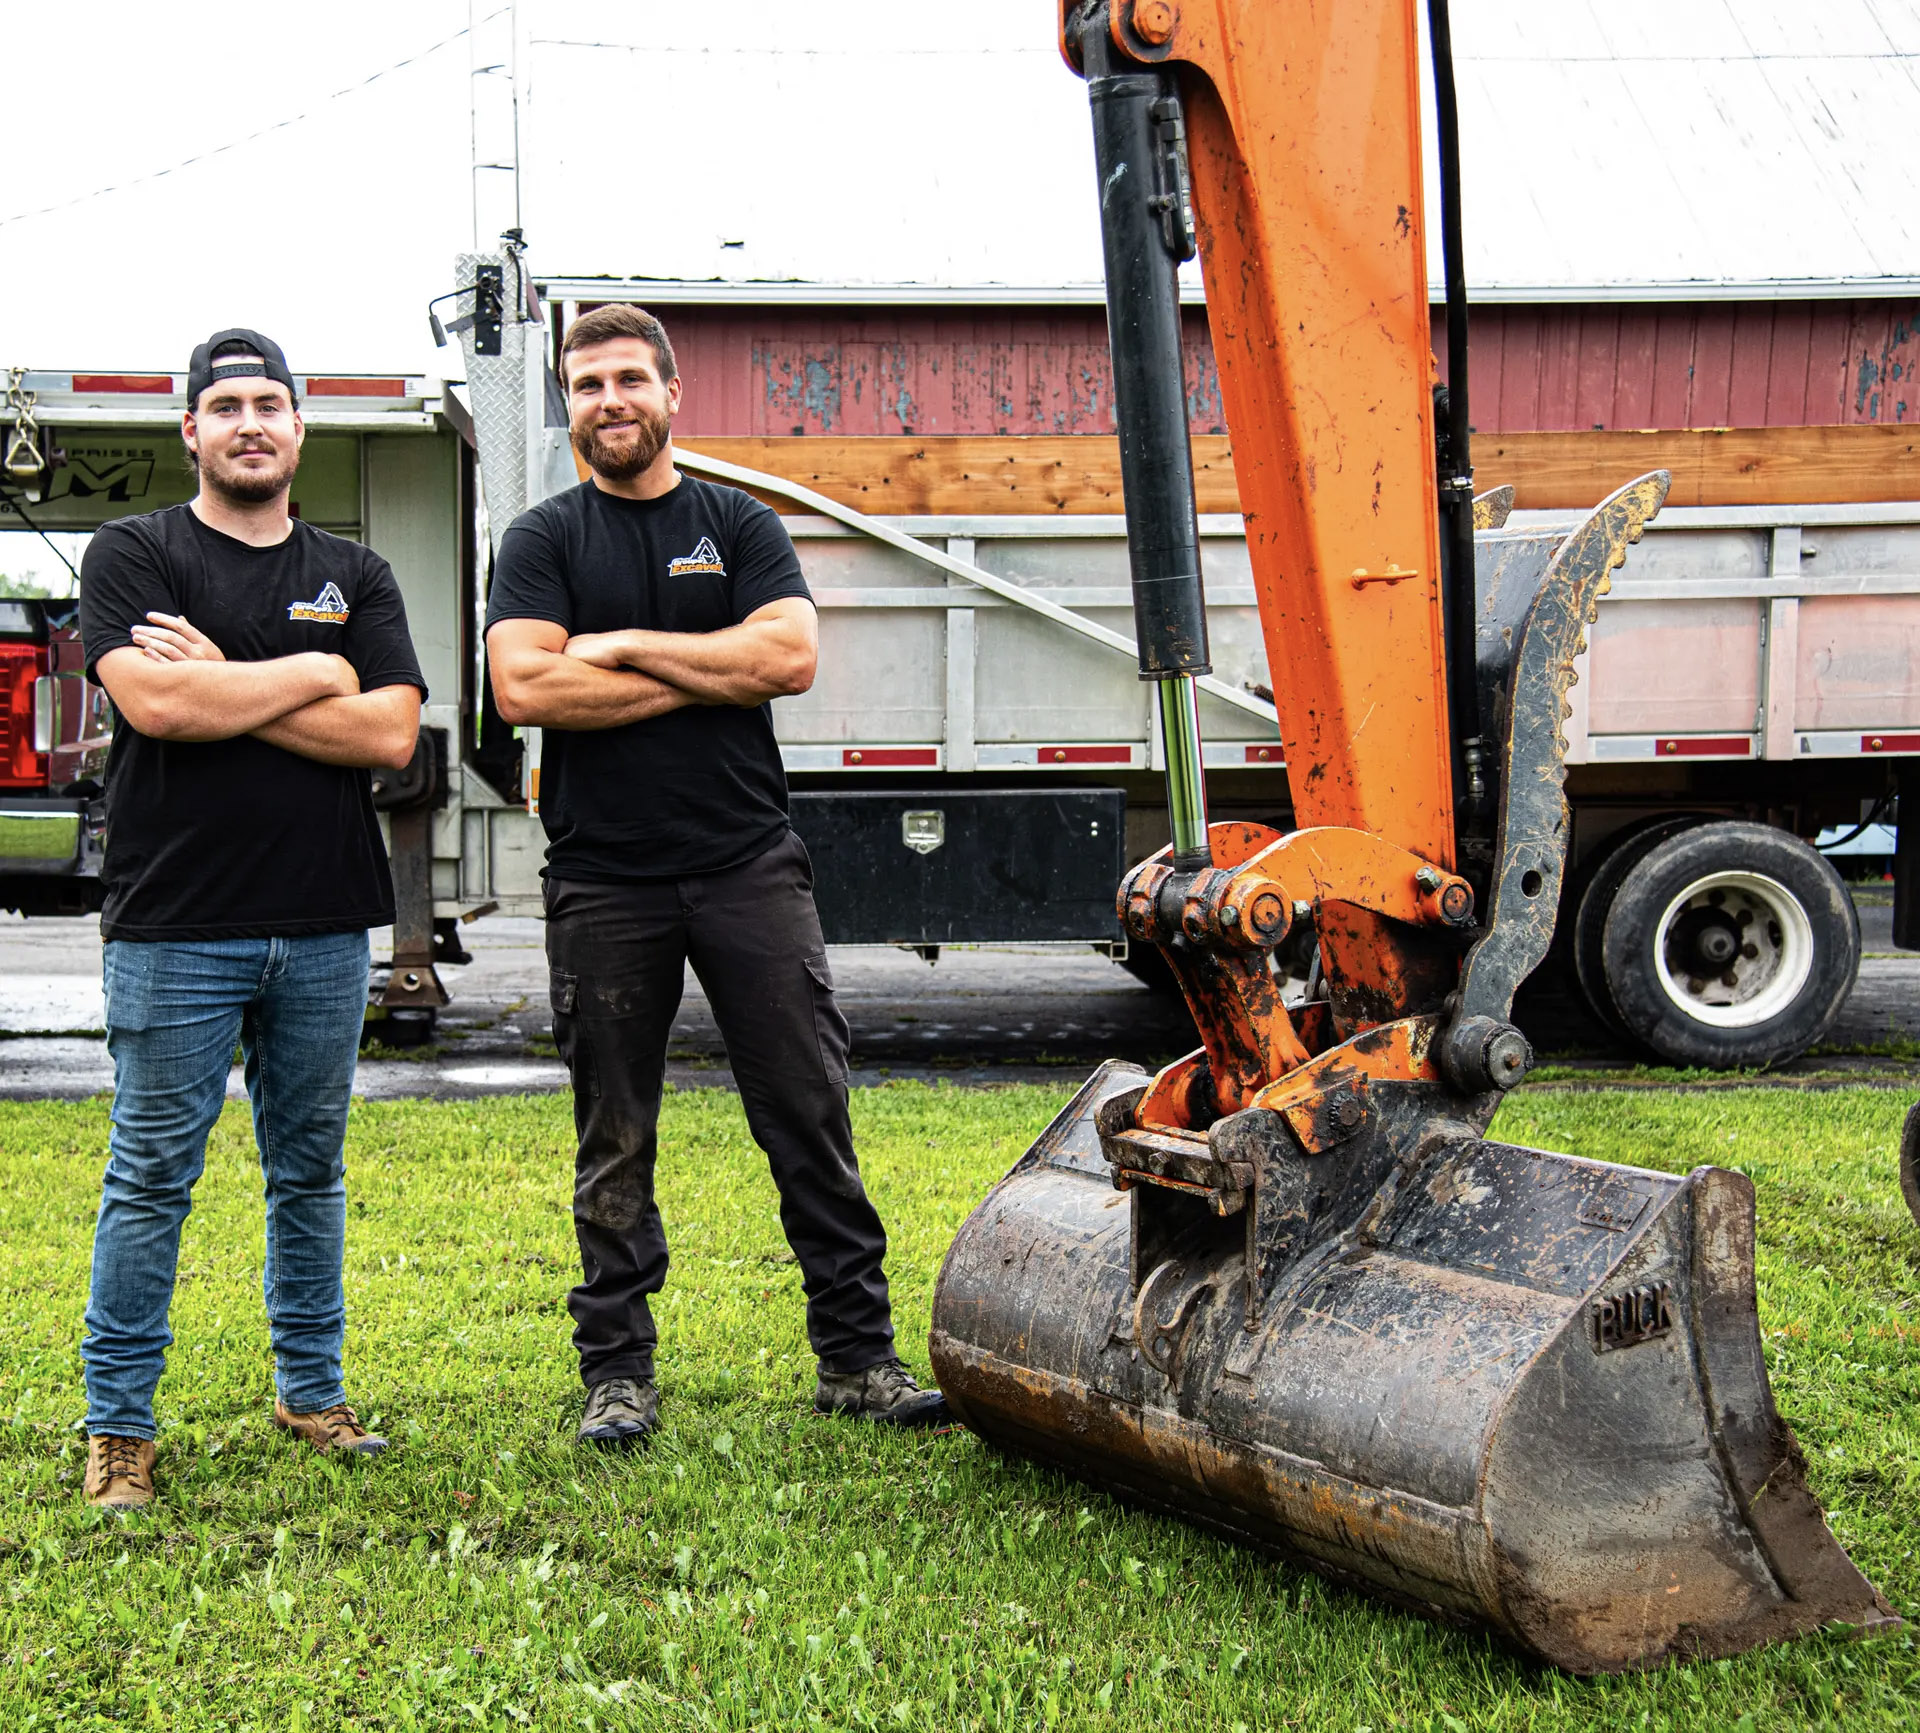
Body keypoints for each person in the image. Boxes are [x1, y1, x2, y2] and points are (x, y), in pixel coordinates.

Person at [485, 304, 947, 1447]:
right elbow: (525, 691)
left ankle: (856, 1358)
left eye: (630, 379)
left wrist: (617, 647)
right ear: (569, 401)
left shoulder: (736, 522)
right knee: (615, 1132)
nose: (611, 402)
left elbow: (786, 656)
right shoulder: (543, 540)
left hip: (748, 865)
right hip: (605, 879)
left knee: (808, 1111)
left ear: (672, 393)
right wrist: (707, 670)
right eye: (587, 384)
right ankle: (619, 1375)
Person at [75, 329, 426, 1510]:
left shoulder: (356, 571)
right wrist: (315, 673)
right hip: (176, 922)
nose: (249, 423)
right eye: (225, 404)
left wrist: (234, 669)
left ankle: (311, 1388)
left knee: (309, 1170)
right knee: (150, 1176)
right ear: (190, 430)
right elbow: (156, 702)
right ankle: (119, 1424)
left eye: (269, 402)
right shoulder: (133, 551)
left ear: (298, 426)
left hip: (326, 921)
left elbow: (389, 735)